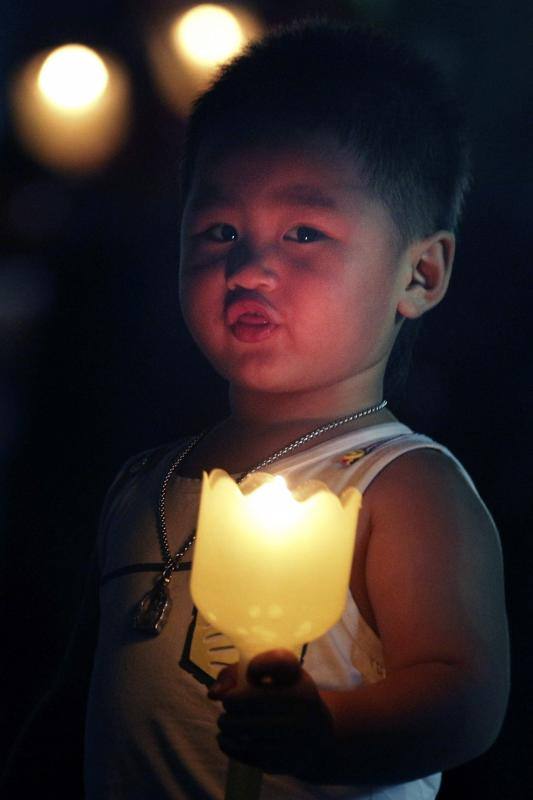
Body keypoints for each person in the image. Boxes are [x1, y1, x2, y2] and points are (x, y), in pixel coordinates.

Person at [3, 19, 509, 800]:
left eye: (303, 231)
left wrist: (328, 734)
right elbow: (79, 699)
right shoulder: (145, 483)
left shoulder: (398, 486)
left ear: (420, 274)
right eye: (220, 229)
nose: (249, 266)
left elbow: (464, 696)